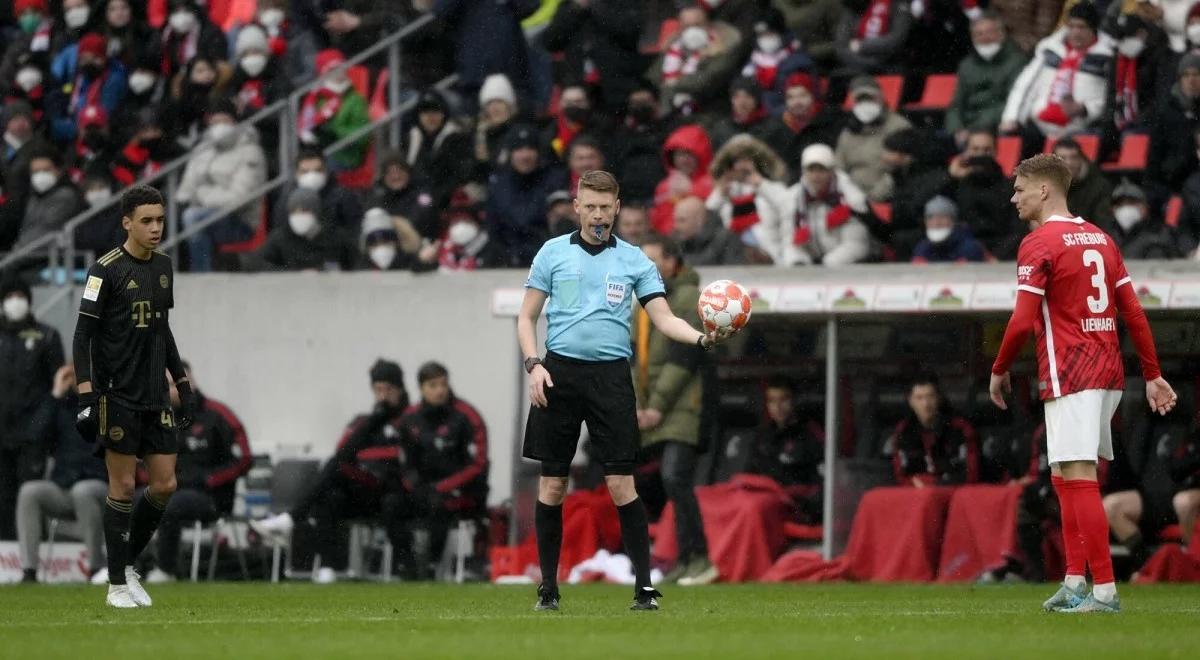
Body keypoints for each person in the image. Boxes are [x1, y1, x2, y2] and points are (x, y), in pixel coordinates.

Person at [519, 170, 730, 612]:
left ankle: (643, 590)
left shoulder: (635, 260)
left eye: (605, 207)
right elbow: (526, 318)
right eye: (589, 206)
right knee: (553, 484)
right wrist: (533, 364)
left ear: (617, 209)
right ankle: (548, 590)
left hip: (612, 377)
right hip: (557, 373)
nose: (597, 214)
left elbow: (666, 319)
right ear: (577, 207)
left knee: (621, 483)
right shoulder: (552, 253)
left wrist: (702, 338)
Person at [990, 153, 1176, 613]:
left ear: (1044, 190)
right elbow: (1131, 310)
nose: (1013, 198)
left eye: (1019, 189)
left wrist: (999, 368)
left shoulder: (1039, 243)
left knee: (1078, 476)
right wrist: (1152, 373)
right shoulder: (1101, 237)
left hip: (1072, 370)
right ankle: (1075, 580)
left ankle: (1106, 591)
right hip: (1107, 368)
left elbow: (1020, 322)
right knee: (1062, 474)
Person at [72, 184, 198, 608]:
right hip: (117, 395)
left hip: (154, 395)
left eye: (160, 220)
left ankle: (126, 566)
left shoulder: (163, 267)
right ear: (127, 223)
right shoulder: (103, 271)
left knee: (164, 485)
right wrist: (86, 396)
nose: (156, 228)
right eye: (146, 221)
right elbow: (82, 337)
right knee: (123, 485)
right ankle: (114, 585)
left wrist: (180, 382)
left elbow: (162, 330)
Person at [251, 360, 410, 583]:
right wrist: (374, 421)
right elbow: (344, 452)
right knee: (330, 495)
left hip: (394, 491)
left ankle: (291, 519)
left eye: (388, 390)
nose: (383, 396)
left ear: (400, 389)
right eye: (378, 390)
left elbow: (402, 459)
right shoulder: (364, 422)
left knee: (334, 468)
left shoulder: (410, 419)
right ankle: (328, 566)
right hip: (366, 491)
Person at [633, 234, 716, 586]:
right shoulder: (642, 303)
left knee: (675, 477)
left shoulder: (687, 298)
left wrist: (655, 406)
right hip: (655, 407)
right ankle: (685, 559)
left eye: (651, 262)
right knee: (670, 482)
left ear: (671, 261)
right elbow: (634, 359)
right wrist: (638, 404)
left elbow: (685, 357)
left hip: (685, 406)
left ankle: (700, 559)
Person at [140, 365, 251, 582]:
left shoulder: (218, 415)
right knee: (129, 500)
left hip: (210, 497)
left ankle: (166, 570)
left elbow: (244, 459)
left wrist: (209, 480)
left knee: (168, 505)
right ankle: (124, 568)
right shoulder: (157, 418)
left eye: (172, 385)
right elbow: (140, 461)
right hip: (170, 488)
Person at [391, 362, 488, 579]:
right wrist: (414, 486)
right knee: (391, 504)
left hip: (459, 490)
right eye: (433, 385)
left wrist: (442, 487)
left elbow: (478, 464)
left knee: (438, 503)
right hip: (422, 489)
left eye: (443, 384)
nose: (440, 390)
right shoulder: (409, 419)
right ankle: (406, 565)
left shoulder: (466, 416)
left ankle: (432, 566)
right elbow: (404, 462)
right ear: (421, 388)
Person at [15, 364, 107, 582]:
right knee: (30, 491)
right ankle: (29, 571)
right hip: (65, 486)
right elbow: (34, 436)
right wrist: (56, 394)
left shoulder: (107, 405)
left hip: (102, 487)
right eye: (74, 375)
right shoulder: (61, 406)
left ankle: (96, 568)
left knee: (82, 491)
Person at [1, 274, 65, 539]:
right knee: (3, 495)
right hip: (2, 434)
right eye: (10, 297)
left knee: (29, 494)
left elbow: (57, 389)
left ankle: (30, 556)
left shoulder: (46, 337)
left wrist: (41, 429)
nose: (15, 302)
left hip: (33, 435)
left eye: (20, 297)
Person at [1000, 3, 1113, 153]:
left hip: (1081, 128)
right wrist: (1011, 118)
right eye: (1071, 27)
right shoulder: (1050, 48)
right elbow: (1024, 84)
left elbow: (1110, 98)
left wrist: (1084, 109)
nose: (1075, 33)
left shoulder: (1107, 56)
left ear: (1093, 29)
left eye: (1081, 27)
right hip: (1039, 125)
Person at [175, 99, 267, 272]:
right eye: (215, 122)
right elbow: (184, 192)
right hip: (203, 214)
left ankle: (201, 275)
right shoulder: (202, 149)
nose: (220, 126)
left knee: (193, 218)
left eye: (225, 121)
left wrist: (203, 194)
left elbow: (239, 198)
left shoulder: (249, 150)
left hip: (239, 220)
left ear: (235, 122)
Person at [745, 376, 825, 523]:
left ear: (795, 401)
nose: (778, 407)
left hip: (793, 503)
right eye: (772, 401)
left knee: (751, 508)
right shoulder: (763, 436)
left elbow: (819, 483)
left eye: (784, 400)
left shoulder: (811, 434)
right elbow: (750, 473)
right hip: (762, 496)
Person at [705, 134, 791, 264]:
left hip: (769, 256)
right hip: (732, 256)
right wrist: (720, 193)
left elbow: (789, 205)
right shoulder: (723, 192)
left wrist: (760, 184)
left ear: (756, 161)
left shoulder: (770, 186)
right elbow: (705, 218)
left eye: (746, 159)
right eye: (737, 160)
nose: (742, 165)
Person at [945, 12, 1030, 143]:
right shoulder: (967, 65)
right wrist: (957, 129)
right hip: (968, 130)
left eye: (990, 32)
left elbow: (1012, 102)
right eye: (979, 34)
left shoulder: (1017, 61)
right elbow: (956, 103)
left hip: (999, 127)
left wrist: (975, 129)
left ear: (1002, 34)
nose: (984, 37)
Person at [784, 143, 873, 266]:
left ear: (832, 170)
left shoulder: (850, 198)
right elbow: (789, 240)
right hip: (811, 262)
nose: (816, 176)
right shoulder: (793, 198)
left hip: (841, 265)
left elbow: (856, 244)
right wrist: (798, 262)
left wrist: (828, 265)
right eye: (811, 170)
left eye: (821, 170)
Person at [890, 375, 979, 487]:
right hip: (917, 495)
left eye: (930, 397)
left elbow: (971, 475)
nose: (926, 404)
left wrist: (935, 484)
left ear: (939, 398)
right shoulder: (903, 431)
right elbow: (900, 476)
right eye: (919, 398)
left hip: (954, 492)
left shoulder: (960, 428)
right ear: (910, 401)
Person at [834, 75, 911, 202]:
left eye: (870, 98)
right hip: (851, 199)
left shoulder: (899, 127)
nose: (865, 104)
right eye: (860, 100)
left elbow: (900, 170)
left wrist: (872, 198)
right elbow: (839, 170)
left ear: (881, 98)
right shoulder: (847, 133)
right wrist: (851, 196)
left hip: (888, 197)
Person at [951, 130, 1022, 259]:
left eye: (986, 150)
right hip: (962, 253)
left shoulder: (1010, 187)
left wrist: (997, 256)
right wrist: (952, 177)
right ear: (966, 152)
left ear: (995, 152)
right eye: (975, 149)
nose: (981, 155)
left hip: (1000, 256)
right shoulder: (956, 185)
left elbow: (1017, 229)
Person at [251, 188, 358, 272]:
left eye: (304, 211)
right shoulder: (280, 237)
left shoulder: (335, 237)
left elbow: (356, 263)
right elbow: (258, 264)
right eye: (294, 212)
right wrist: (294, 274)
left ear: (316, 212)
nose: (299, 217)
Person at [298, 49, 370, 171]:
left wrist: (334, 129)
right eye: (332, 70)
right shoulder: (316, 98)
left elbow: (362, 135)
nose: (338, 74)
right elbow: (306, 124)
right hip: (322, 152)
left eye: (340, 69)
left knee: (318, 168)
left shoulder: (355, 99)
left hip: (347, 156)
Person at [1054, 137, 1115, 234]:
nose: (1069, 163)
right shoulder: (1045, 188)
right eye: (1063, 158)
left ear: (1081, 159)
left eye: (1073, 157)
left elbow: (1103, 225)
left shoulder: (1098, 187)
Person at [1108, 180, 1182, 259]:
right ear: (1112, 209)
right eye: (1121, 204)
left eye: (1132, 203)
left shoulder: (1157, 236)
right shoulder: (1105, 237)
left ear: (1145, 207)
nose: (1126, 208)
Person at [672, 195, 745, 266]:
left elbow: (734, 272)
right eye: (675, 220)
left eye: (682, 220)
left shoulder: (726, 239)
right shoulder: (675, 239)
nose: (676, 226)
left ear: (699, 220)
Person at [911, 196, 987, 263]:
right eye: (930, 218)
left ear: (953, 221)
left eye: (942, 217)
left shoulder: (970, 248)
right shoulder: (922, 248)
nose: (936, 223)